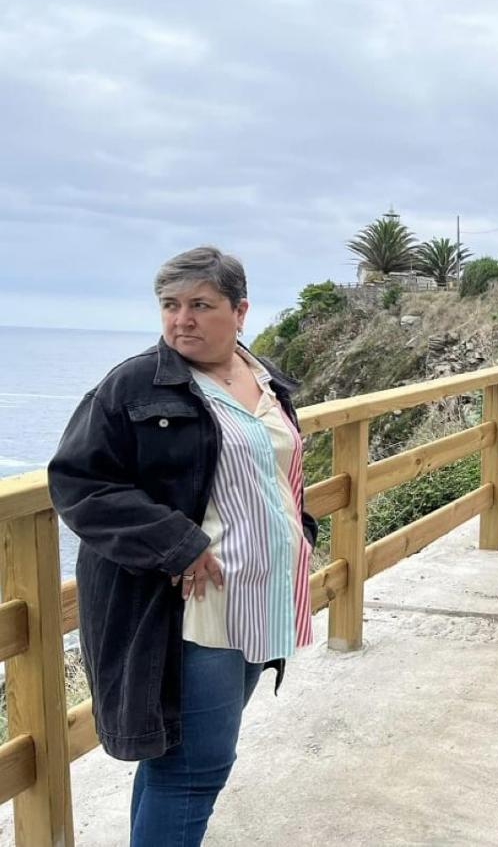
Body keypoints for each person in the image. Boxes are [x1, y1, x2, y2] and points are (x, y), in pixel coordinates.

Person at [48, 246, 316, 845]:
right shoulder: (134, 384)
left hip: (262, 596)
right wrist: (176, 541)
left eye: (201, 304)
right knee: (196, 771)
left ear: (240, 311)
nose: (182, 320)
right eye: (170, 305)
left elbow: (277, 474)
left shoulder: (265, 378)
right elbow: (78, 483)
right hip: (192, 609)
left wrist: (303, 535)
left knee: (175, 763)